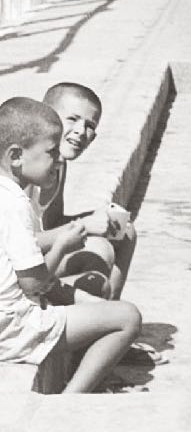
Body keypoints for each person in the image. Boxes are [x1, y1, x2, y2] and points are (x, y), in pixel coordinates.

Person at [0, 96, 141, 393]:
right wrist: (63, 244)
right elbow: (32, 285)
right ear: (15, 156)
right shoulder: (13, 202)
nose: (56, 159)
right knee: (128, 317)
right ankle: (71, 399)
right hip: (12, 330)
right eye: (51, 153)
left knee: (99, 302)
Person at [33, 82, 137, 300]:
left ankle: (110, 306)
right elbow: (16, 241)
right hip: (19, 272)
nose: (81, 131)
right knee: (98, 255)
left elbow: (52, 222)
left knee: (125, 230)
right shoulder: (27, 167)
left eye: (90, 125)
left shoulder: (58, 164)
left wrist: (95, 218)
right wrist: (84, 225)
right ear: (45, 117)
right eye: (72, 119)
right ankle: (100, 315)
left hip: (40, 256)